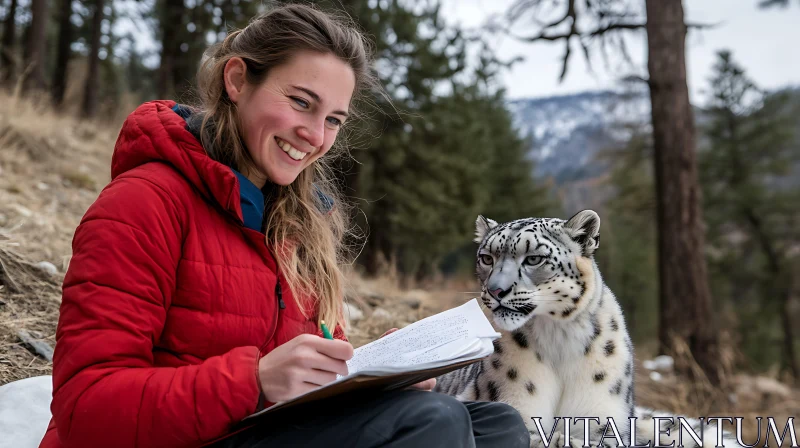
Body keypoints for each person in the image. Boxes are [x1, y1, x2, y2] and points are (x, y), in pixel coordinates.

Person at [40, 4, 530, 448]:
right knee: (432, 423)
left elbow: (301, 375)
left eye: (333, 119)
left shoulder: (298, 224)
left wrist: (381, 373)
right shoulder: (143, 203)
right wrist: (252, 380)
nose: (315, 136)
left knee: (496, 425)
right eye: (300, 102)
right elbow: (86, 408)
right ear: (237, 80)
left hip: (254, 429)